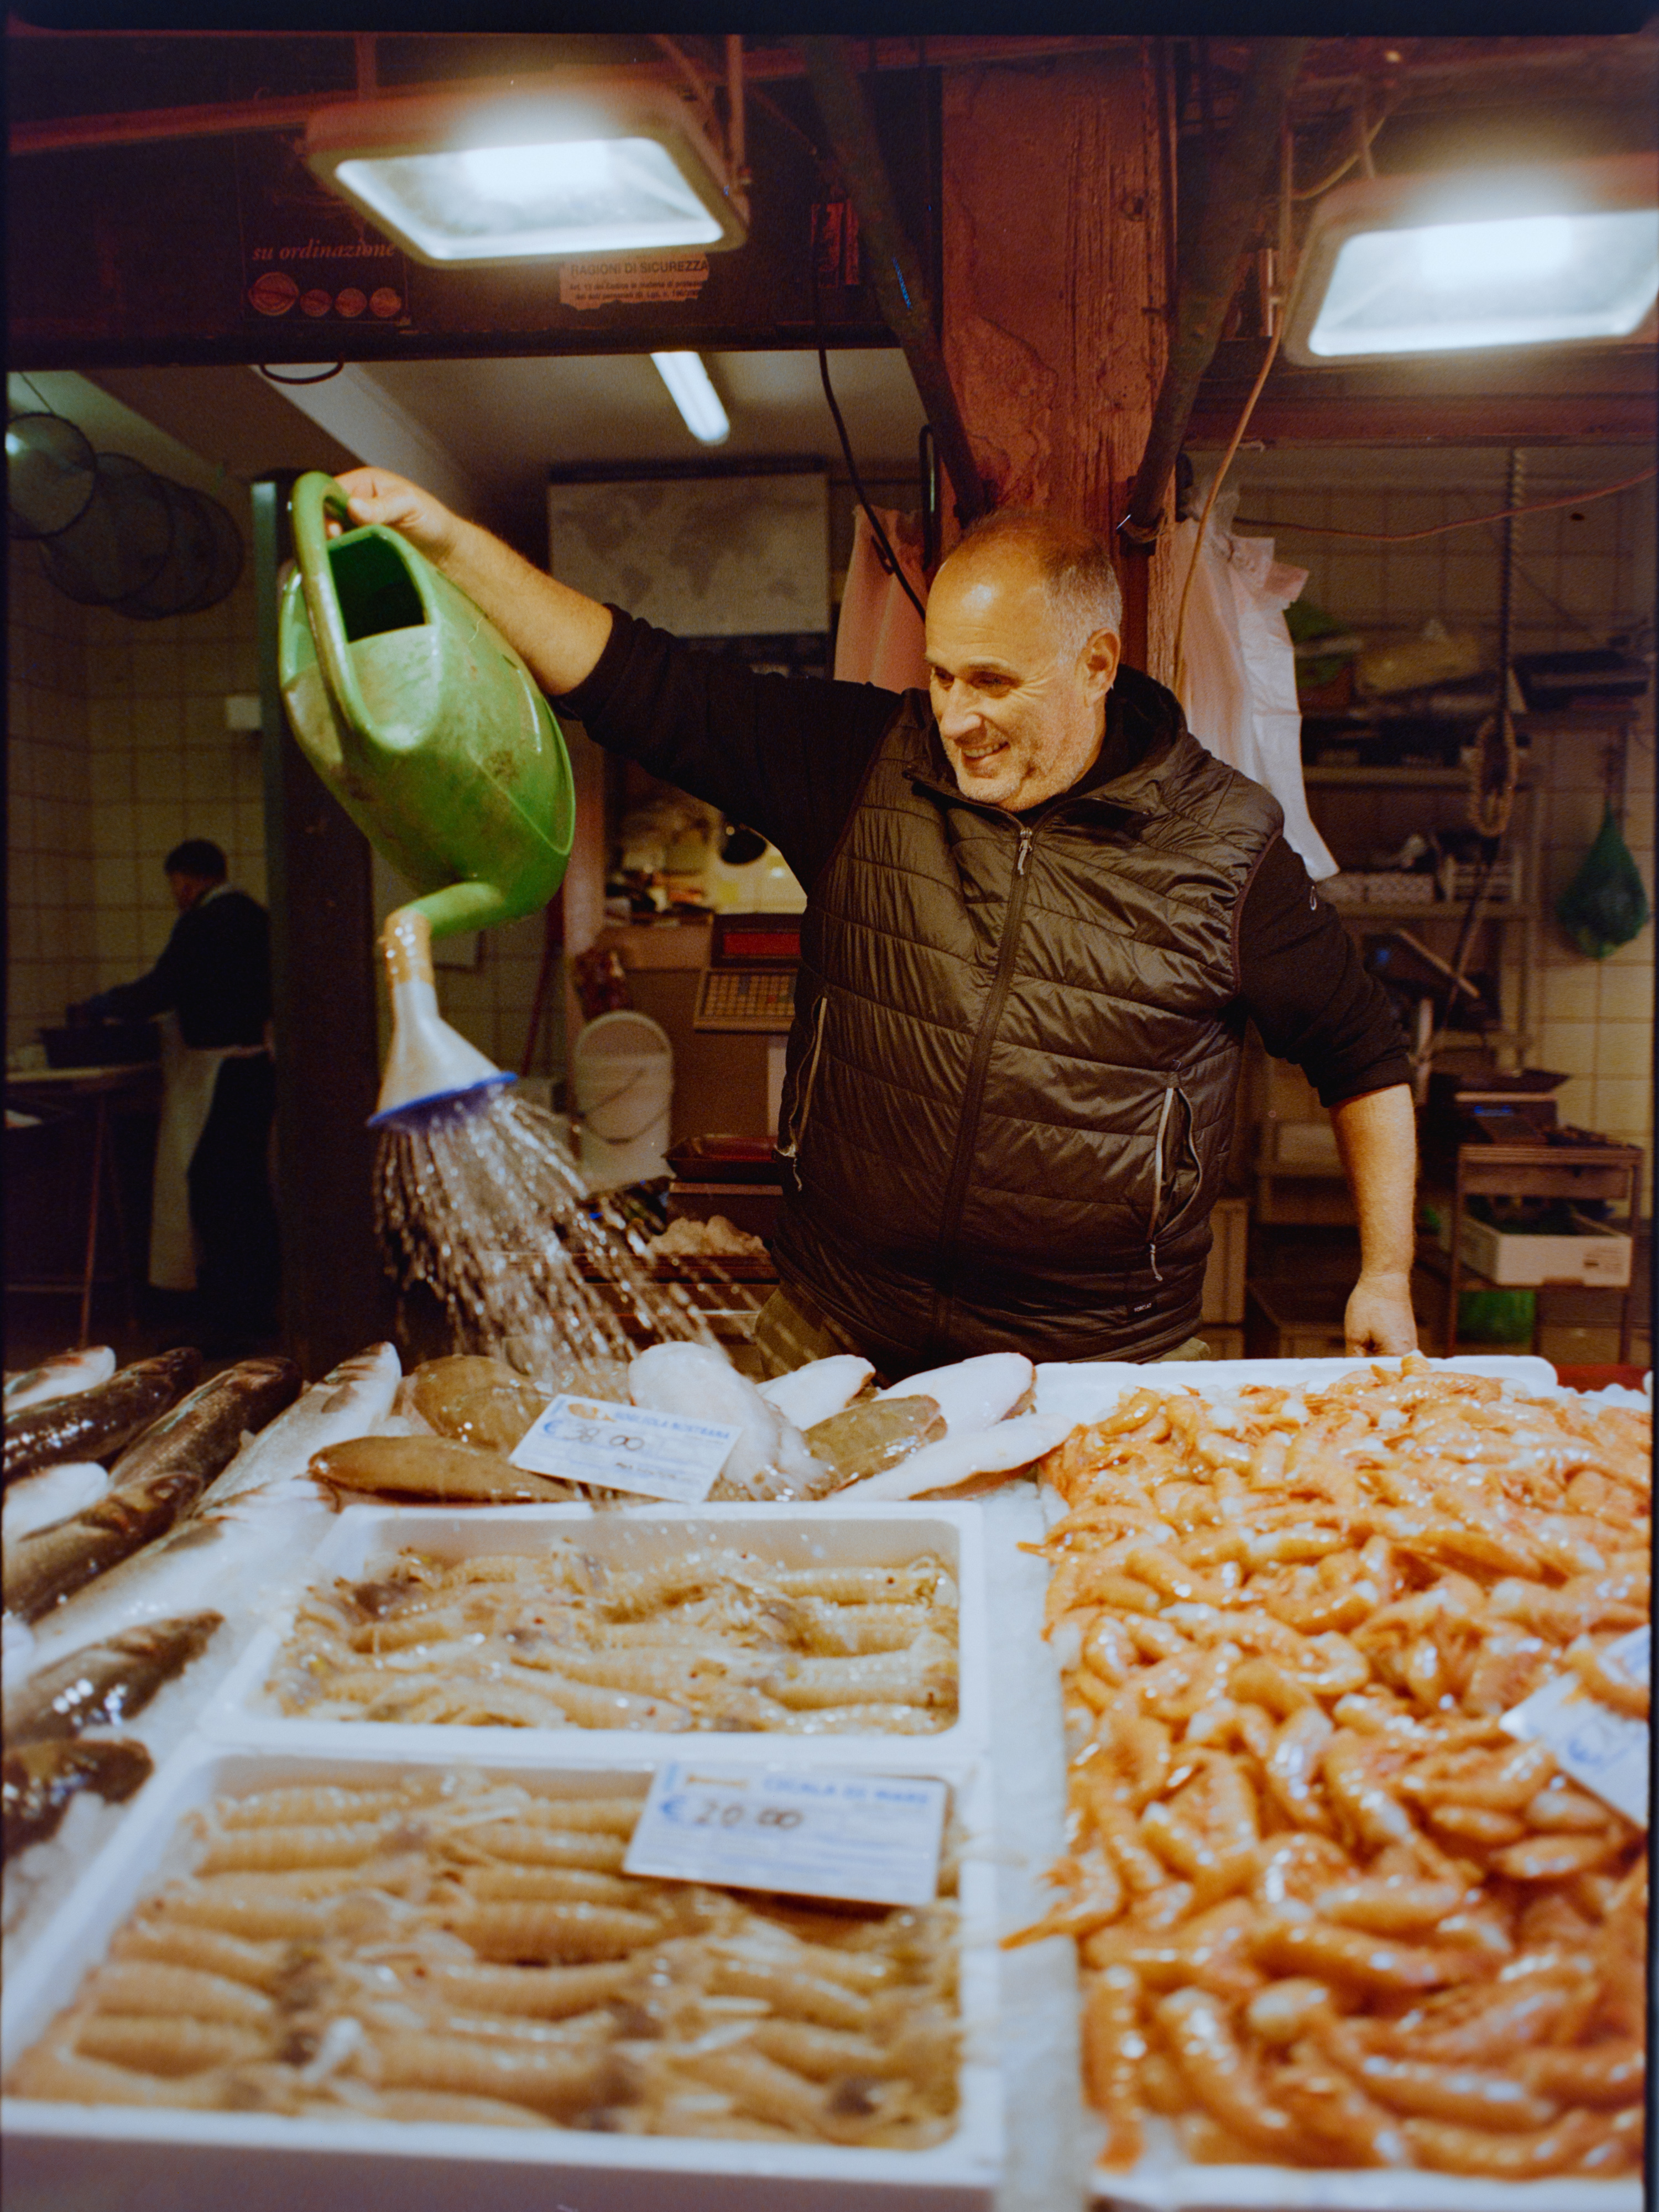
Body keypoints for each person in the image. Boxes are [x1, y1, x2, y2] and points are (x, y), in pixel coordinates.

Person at [335, 469, 1418, 1379]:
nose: (955, 716)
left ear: (1095, 664)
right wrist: (447, 541)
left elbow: (1361, 1051)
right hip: (834, 1334)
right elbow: (636, 681)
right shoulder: (864, 764)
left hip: (1103, 1364)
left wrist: (1386, 1271)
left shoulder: (1228, 846)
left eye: (993, 681)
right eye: (942, 673)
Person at [74, 839, 280, 1349]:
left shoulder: (204, 922)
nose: (176, 895)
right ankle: (261, 1308)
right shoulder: (256, 916)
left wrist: (106, 1006)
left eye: (175, 886)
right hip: (259, 1065)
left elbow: (164, 986)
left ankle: (233, 1322)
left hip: (226, 1072)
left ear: (185, 881)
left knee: (216, 1191)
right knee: (248, 1190)